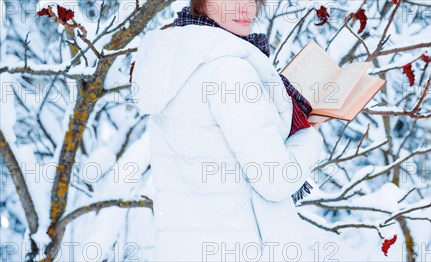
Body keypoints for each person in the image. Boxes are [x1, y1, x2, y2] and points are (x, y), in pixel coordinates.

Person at [130, 0, 331, 260]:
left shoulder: (172, 63)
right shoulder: (229, 71)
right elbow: (274, 180)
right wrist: (309, 135)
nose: (246, 8)